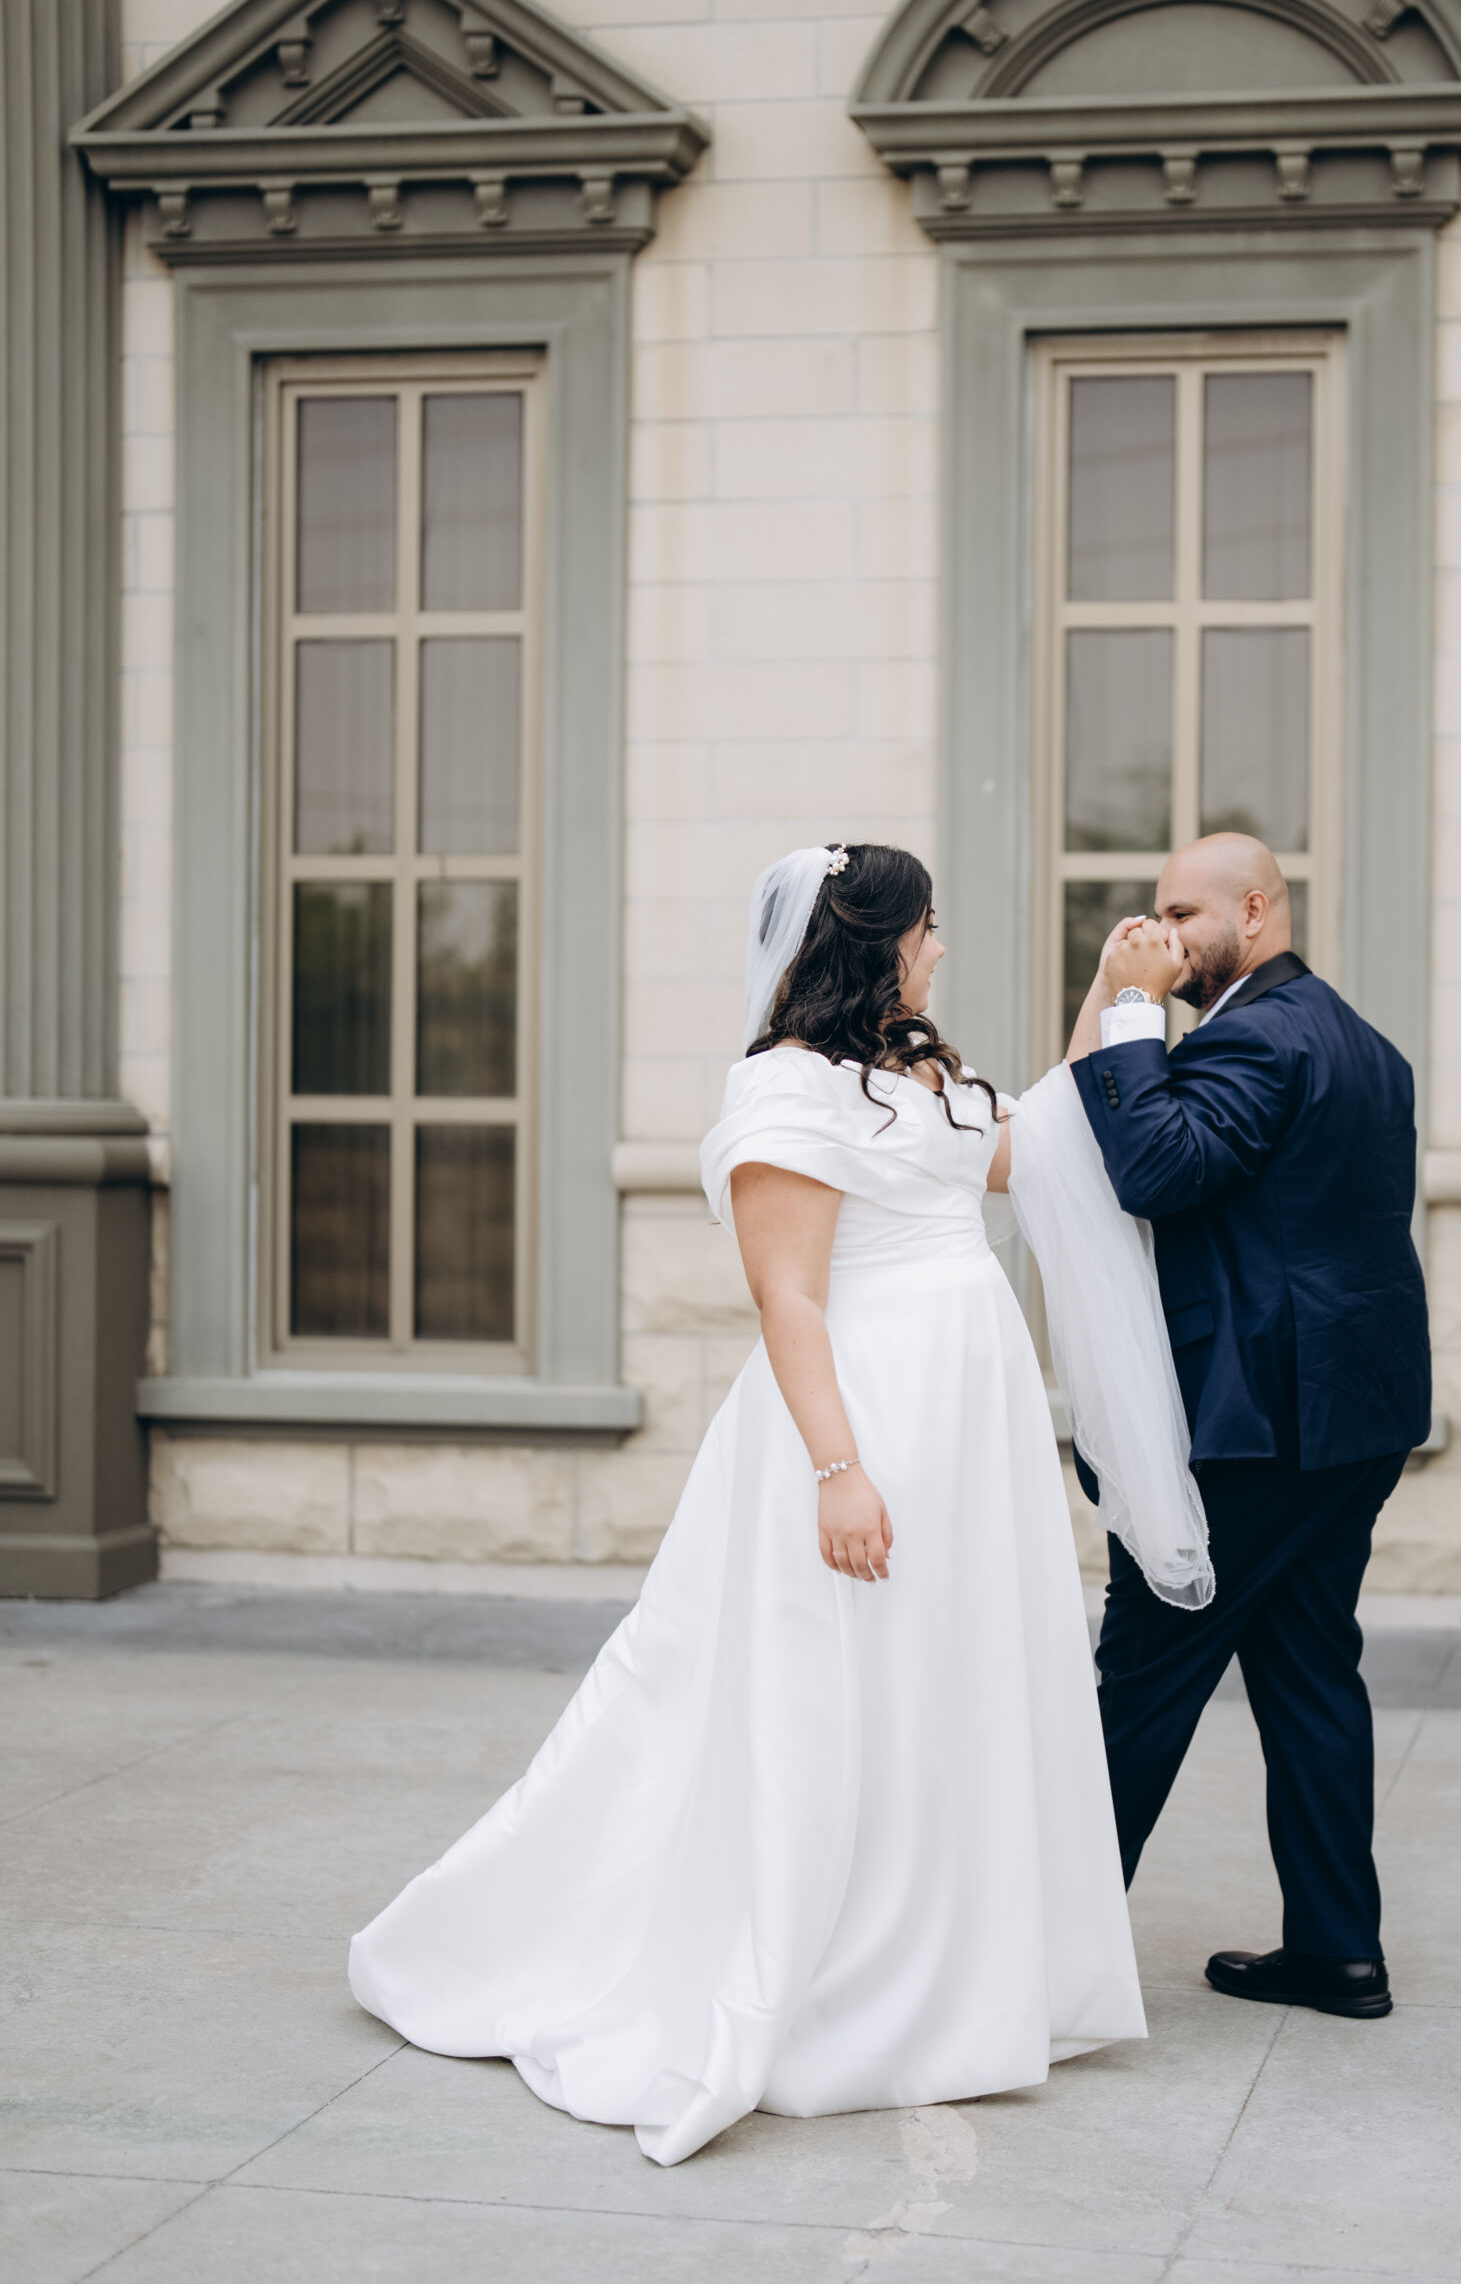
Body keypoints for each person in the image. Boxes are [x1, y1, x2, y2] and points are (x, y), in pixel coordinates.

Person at [349, 843, 1157, 2167]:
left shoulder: (917, 1075)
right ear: (877, 941)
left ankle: (946, 1978)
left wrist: (1113, 996)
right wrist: (840, 1469)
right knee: (834, 1696)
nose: (942, 948)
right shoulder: (785, 1085)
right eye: (929, 928)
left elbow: (1042, 1153)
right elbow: (788, 1296)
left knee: (939, 1690)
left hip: (965, 1425)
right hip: (864, 1418)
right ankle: (814, 1976)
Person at [1068, 832, 1432, 2020]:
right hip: (1352, 1419)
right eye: (1158, 913)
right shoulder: (1365, 1045)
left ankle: (1042, 1957)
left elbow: (1156, 1172)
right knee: (1310, 1666)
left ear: (1259, 912)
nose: (1163, 933)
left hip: (1256, 1429)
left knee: (1140, 1679)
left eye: (1185, 913)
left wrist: (1133, 1013)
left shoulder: (1255, 1040)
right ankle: (1336, 1950)